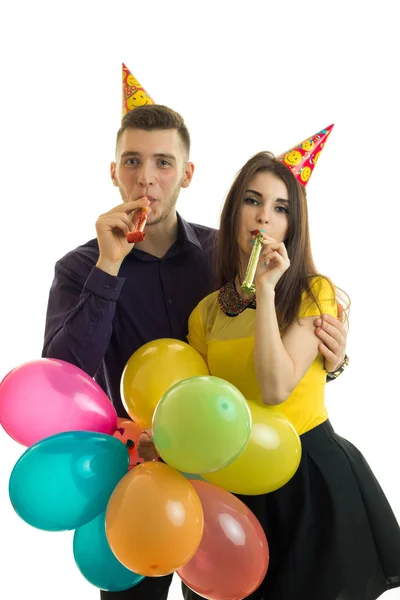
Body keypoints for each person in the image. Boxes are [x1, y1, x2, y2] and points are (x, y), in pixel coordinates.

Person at [42, 105, 349, 600]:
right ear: (113, 171)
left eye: (163, 163)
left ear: (187, 173)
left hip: (220, 470)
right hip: (132, 475)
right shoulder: (80, 268)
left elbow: (260, 348)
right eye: (132, 162)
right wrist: (108, 268)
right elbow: (62, 378)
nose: (147, 180)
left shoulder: (224, 256)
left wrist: (331, 362)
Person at [183, 150, 400, 600]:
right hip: (236, 489)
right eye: (252, 201)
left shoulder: (312, 292)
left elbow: (276, 388)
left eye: (280, 208)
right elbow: (203, 408)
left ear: (292, 225)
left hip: (309, 484)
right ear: (233, 211)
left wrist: (265, 290)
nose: (264, 217)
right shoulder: (206, 313)